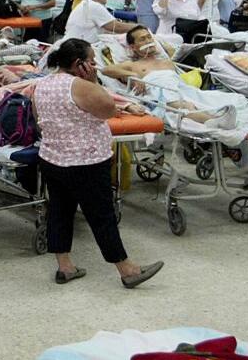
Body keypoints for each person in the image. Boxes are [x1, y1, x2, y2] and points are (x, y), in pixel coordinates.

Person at [32, 38, 164, 288]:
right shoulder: (81, 86)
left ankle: (65, 267)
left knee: (59, 211)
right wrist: (93, 82)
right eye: (91, 61)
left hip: (52, 159)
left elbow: (38, 118)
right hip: (85, 163)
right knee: (102, 215)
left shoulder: (42, 84)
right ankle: (127, 270)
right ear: (78, 63)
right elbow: (108, 110)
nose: (94, 66)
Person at [64, 0, 139, 44]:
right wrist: (139, 27)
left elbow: (105, 28)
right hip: (79, 48)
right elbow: (117, 27)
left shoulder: (84, 4)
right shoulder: (94, 6)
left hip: (72, 43)